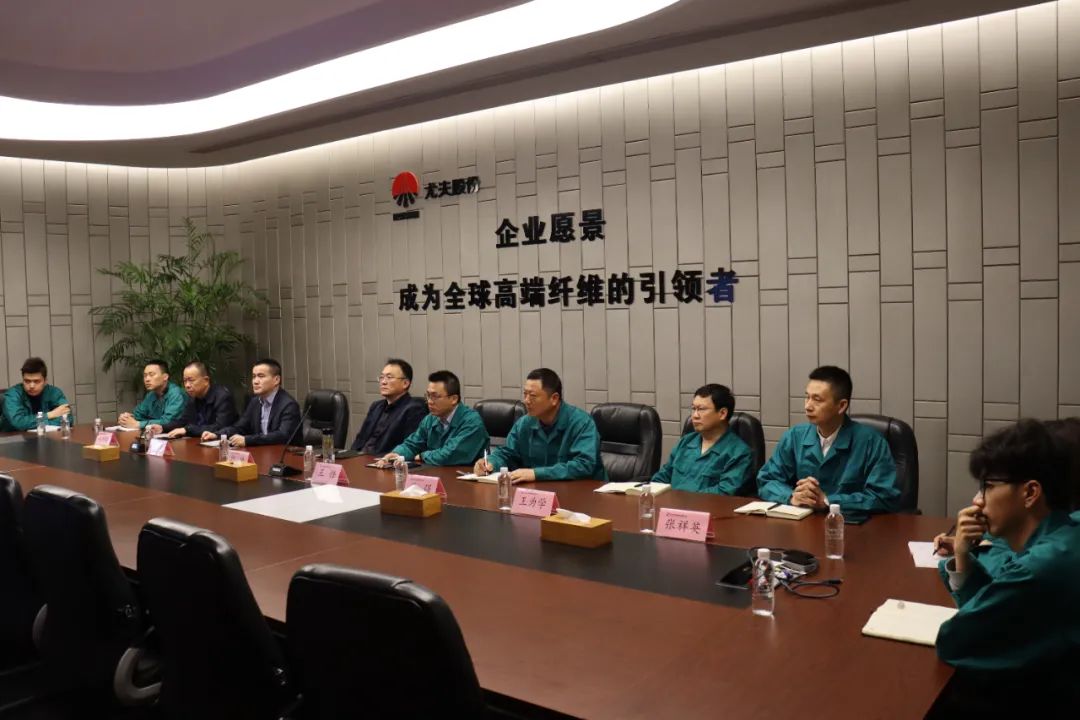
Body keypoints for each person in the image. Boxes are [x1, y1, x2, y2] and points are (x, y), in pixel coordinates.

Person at [927, 419, 1080, 716]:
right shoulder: (1067, 533)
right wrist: (962, 553)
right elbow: (997, 608)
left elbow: (956, 642)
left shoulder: (1040, 567)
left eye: (988, 487)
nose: (976, 501)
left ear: (1030, 493)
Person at [756, 365, 899, 513]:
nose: (808, 406)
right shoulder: (794, 437)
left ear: (841, 406)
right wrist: (792, 497)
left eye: (817, 400)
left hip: (849, 523)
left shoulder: (871, 442)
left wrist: (828, 501)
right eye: (807, 397)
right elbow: (767, 480)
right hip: (803, 521)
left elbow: (883, 496)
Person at [473, 368, 606, 482]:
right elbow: (507, 454)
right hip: (539, 493)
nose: (526, 401)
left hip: (582, 493)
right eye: (525, 394)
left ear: (554, 399)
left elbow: (584, 465)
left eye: (532, 396)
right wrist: (490, 462)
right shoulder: (524, 423)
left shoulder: (581, 423)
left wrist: (536, 474)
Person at [651, 384, 753, 494]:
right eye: (693, 409)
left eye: (701, 409)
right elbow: (661, 478)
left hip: (707, 505)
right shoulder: (685, 442)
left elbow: (724, 493)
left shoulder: (739, 453)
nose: (695, 415)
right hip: (671, 504)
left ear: (722, 413)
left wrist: (683, 499)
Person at [376, 370, 489, 467]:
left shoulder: (472, 421)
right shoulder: (430, 419)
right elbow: (413, 444)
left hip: (465, 478)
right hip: (436, 473)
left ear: (454, 399)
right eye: (428, 395)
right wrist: (397, 454)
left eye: (435, 396)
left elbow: (450, 454)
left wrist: (422, 456)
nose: (429, 401)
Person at [201, 359, 299, 447]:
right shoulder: (255, 402)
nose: (255, 381)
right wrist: (217, 434)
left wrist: (247, 440)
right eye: (254, 376)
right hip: (261, 453)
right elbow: (240, 427)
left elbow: (282, 435)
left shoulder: (288, 405)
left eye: (261, 376)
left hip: (284, 456)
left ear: (276, 380)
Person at [350, 358, 426, 455]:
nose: (383, 382)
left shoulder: (414, 409)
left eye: (389, 377)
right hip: (360, 457)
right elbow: (360, 440)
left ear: (405, 383)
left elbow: (410, 447)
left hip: (383, 460)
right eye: (381, 377)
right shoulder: (376, 406)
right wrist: (350, 456)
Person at [145, 361, 237, 439]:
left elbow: (220, 427)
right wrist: (162, 428)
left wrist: (187, 430)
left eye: (191, 380)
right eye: (185, 381)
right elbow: (183, 421)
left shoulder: (223, 397)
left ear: (206, 380)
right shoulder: (193, 398)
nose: (187, 385)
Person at [1, 357, 73, 431]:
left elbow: (68, 418)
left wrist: (37, 423)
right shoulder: (12, 395)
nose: (31, 386)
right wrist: (50, 415)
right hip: (14, 437)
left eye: (36, 381)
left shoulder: (54, 393)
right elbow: (18, 422)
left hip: (46, 436)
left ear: (45, 381)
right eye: (27, 381)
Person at [119, 360, 187, 431]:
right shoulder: (151, 394)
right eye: (145, 376)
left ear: (165, 377)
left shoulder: (176, 394)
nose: (147, 379)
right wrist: (126, 418)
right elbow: (138, 414)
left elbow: (168, 422)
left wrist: (138, 424)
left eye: (151, 375)